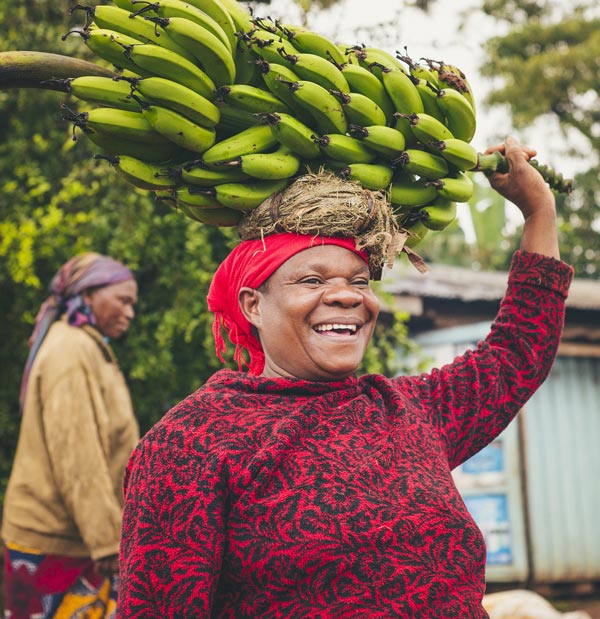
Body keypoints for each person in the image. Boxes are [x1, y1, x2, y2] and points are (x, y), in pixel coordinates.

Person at [117, 137, 573, 618]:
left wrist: (537, 210)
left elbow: (518, 352)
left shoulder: (406, 410)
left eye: (358, 281)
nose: (347, 296)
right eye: (312, 281)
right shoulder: (193, 441)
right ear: (253, 305)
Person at [2, 252, 140, 619]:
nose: (129, 313)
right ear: (90, 294)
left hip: (76, 538)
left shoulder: (88, 346)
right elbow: (79, 458)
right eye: (123, 301)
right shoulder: (70, 350)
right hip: (57, 541)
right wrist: (109, 544)